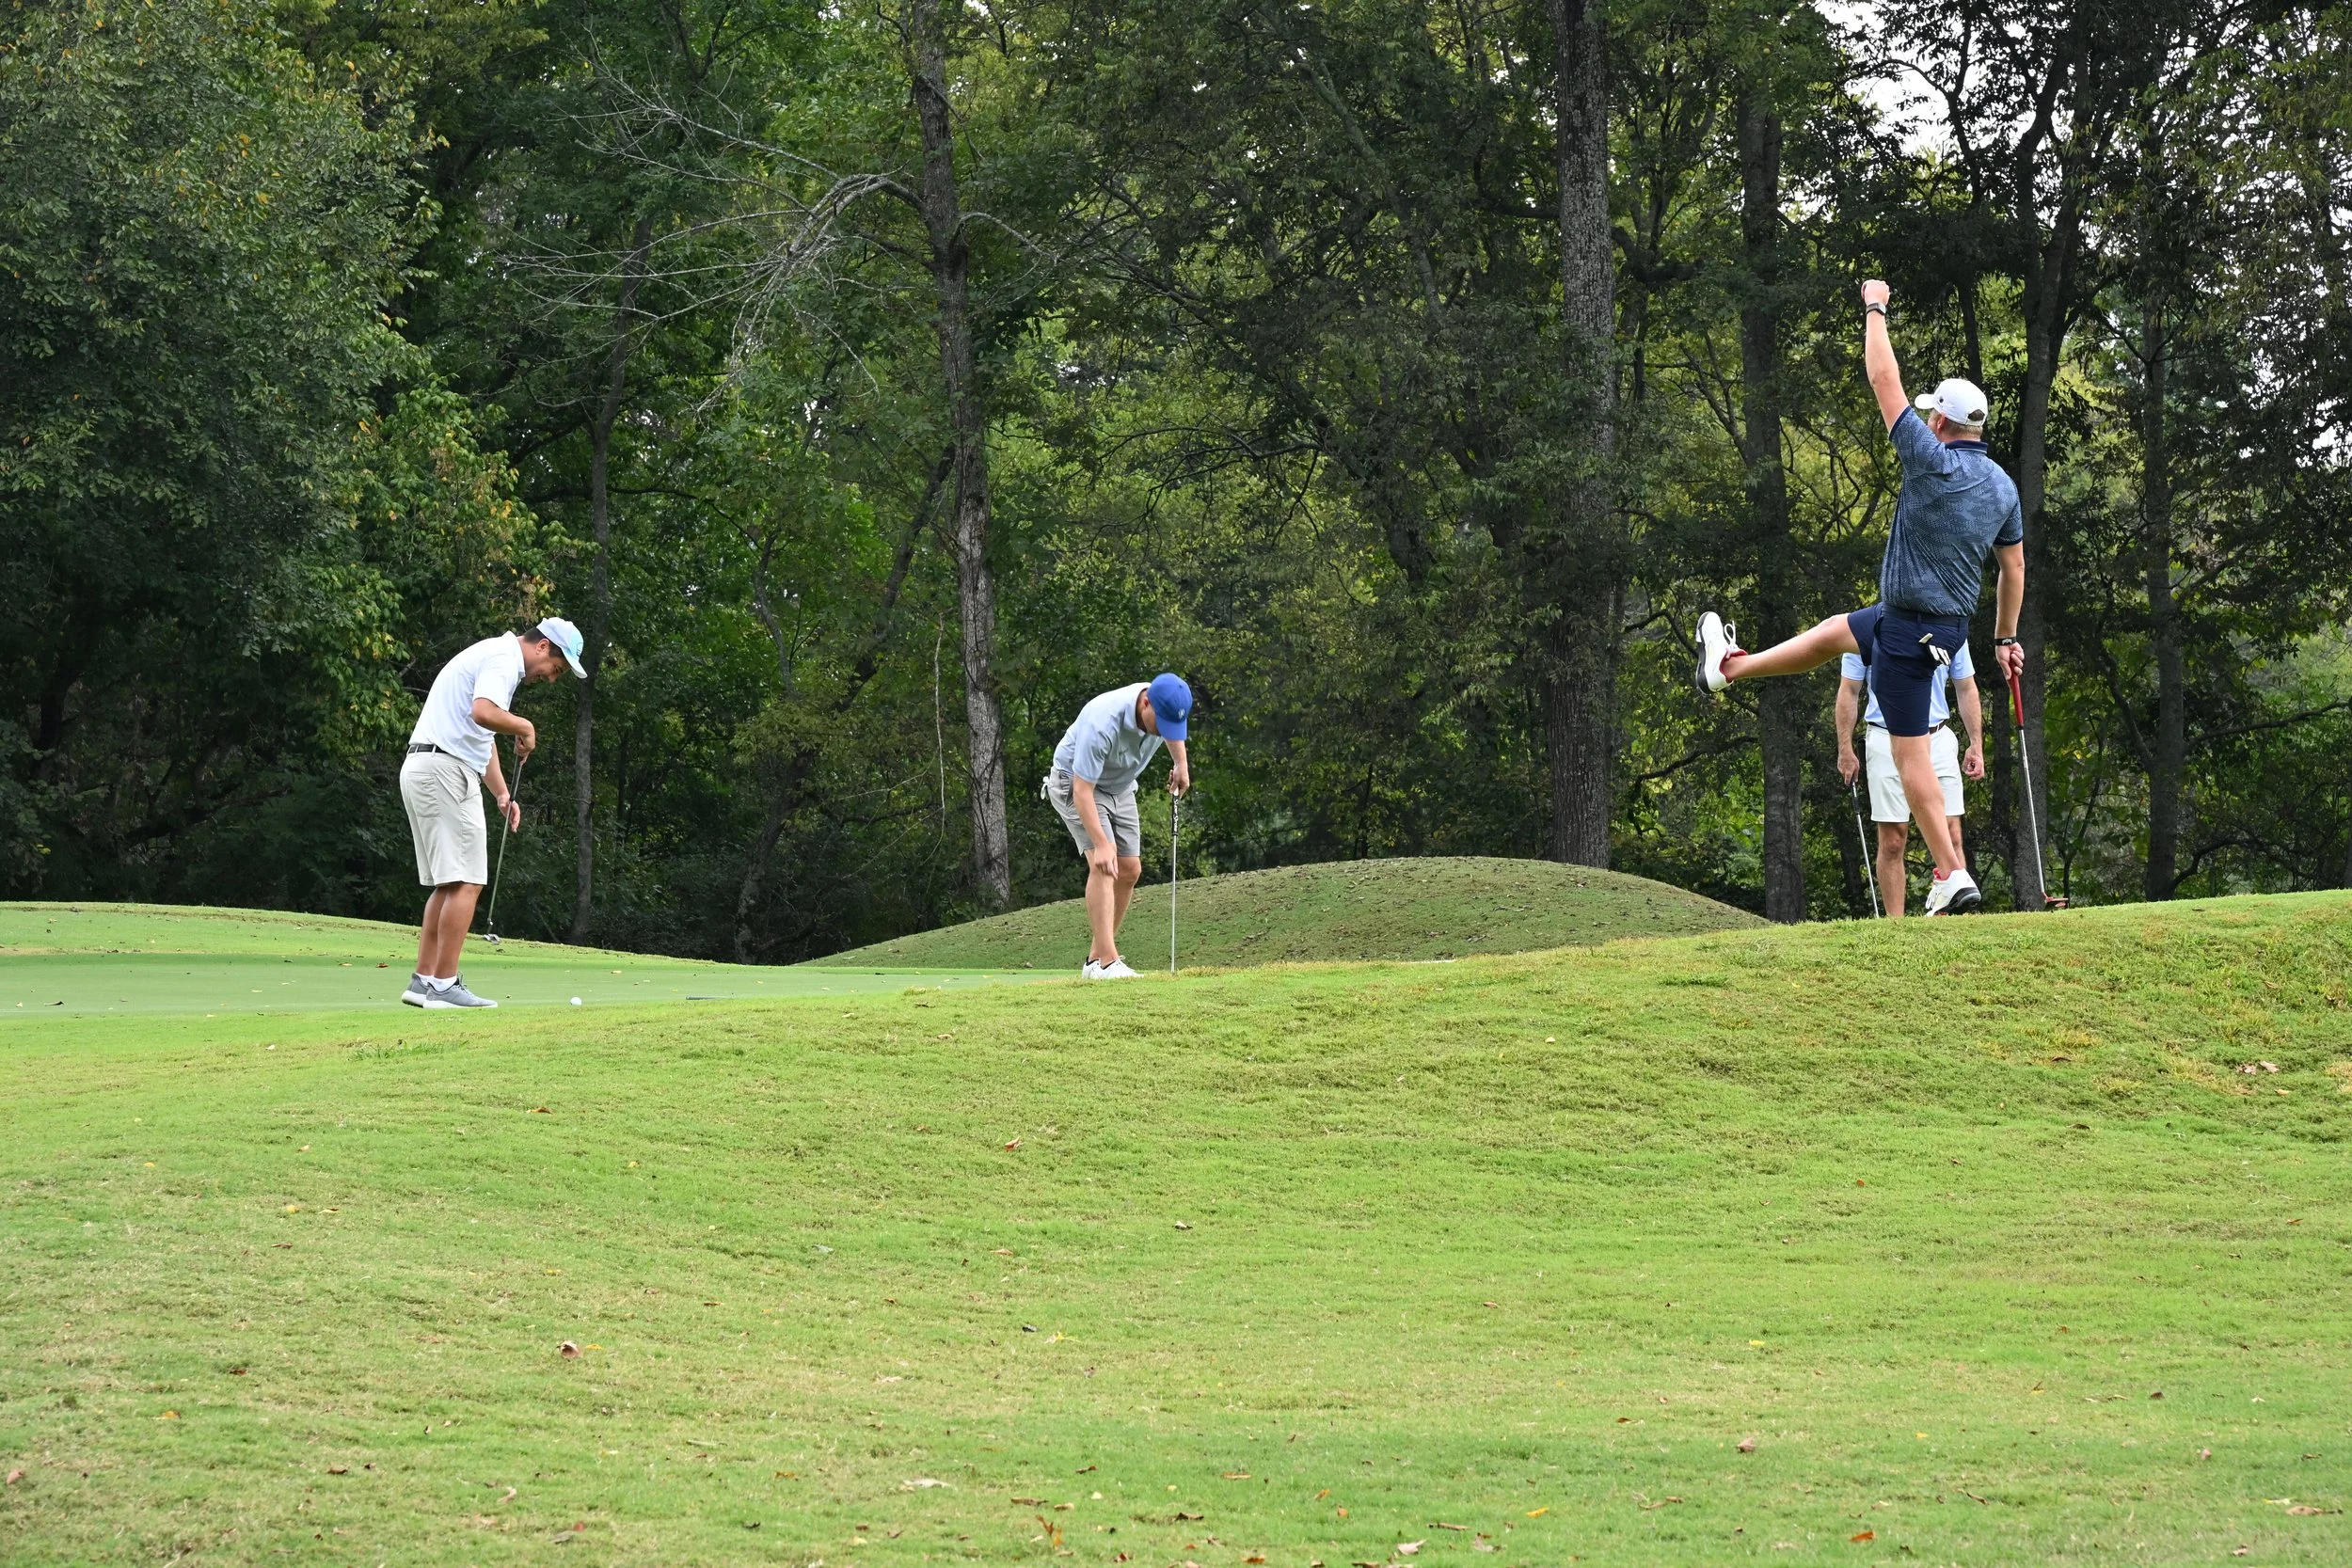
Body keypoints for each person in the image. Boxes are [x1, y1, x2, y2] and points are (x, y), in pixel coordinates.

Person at [1693, 279, 2026, 916]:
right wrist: (2005, 637)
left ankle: (1952, 875)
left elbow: (1882, 377)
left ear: (1938, 422)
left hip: (1911, 632)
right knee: (1836, 633)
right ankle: (1730, 668)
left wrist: (1875, 308)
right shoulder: (2002, 487)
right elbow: (2013, 567)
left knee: (1909, 758)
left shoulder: (1931, 459)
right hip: (1935, 625)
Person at [399, 618, 585, 1007]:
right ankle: (444, 986)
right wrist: (525, 725)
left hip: (425, 768)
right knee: (467, 882)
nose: (553, 678)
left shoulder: (493, 655)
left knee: (449, 884)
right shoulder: (504, 659)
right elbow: (484, 712)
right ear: (542, 646)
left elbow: (481, 736)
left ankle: (424, 981)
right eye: (558, 668)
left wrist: (502, 794)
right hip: (445, 771)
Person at [1043, 673, 1193, 978]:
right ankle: (1107, 963)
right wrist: (1101, 844)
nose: (1164, 731)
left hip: (1120, 785)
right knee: (1104, 863)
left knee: (1130, 870)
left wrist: (1181, 764)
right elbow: (1081, 791)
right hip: (1077, 784)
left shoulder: (1164, 707)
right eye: (1161, 723)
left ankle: (1093, 962)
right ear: (1145, 701)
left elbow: (1172, 732)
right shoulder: (1103, 722)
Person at [1837, 636, 1984, 917]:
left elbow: (1966, 688)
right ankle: (1896, 925)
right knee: (1893, 839)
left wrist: (1975, 743)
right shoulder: (1867, 630)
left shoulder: (1949, 628)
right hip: (1885, 736)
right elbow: (1849, 690)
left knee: (1952, 833)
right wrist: (1845, 749)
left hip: (1938, 736)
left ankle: (1951, 918)